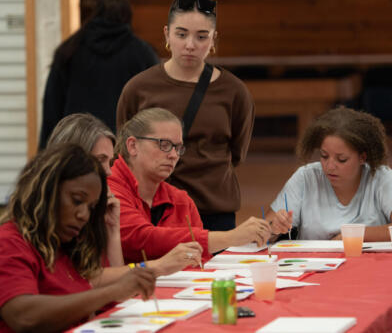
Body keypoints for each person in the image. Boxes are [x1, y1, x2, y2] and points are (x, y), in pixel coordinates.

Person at [0, 144, 156, 332]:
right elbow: (24, 317)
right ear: (47, 191)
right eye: (76, 200)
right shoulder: (5, 246)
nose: (84, 215)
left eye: (91, 208)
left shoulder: (66, 248)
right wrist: (111, 291)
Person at [117, 0, 254, 232]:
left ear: (213, 39)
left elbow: (237, 153)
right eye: (181, 35)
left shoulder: (234, 91)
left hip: (214, 211)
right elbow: (123, 152)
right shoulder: (138, 88)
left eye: (201, 36)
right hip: (156, 208)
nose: (190, 45)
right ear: (167, 34)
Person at [46, 113, 204, 275]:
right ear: (68, 160)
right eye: (100, 160)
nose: (108, 171)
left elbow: (115, 279)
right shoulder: (38, 222)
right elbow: (84, 281)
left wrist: (113, 230)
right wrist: (160, 266)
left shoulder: (99, 208)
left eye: (178, 148)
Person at [109, 108, 271, 263]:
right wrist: (231, 237)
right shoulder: (108, 189)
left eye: (178, 148)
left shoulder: (181, 201)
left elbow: (200, 263)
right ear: (132, 146)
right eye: (164, 144)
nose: (173, 155)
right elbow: (141, 239)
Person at [266, 106, 392, 241]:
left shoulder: (381, 177)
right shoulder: (305, 177)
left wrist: (352, 236)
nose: (329, 166)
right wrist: (274, 228)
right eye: (324, 156)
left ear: (363, 157)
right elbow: (265, 231)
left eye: (341, 159)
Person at [39, 0, 159, 149]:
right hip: (125, 156)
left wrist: (45, 159)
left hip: (76, 155)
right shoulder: (143, 55)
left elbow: (51, 117)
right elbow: (157, 115)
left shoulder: (68, 52)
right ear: (127, 14)